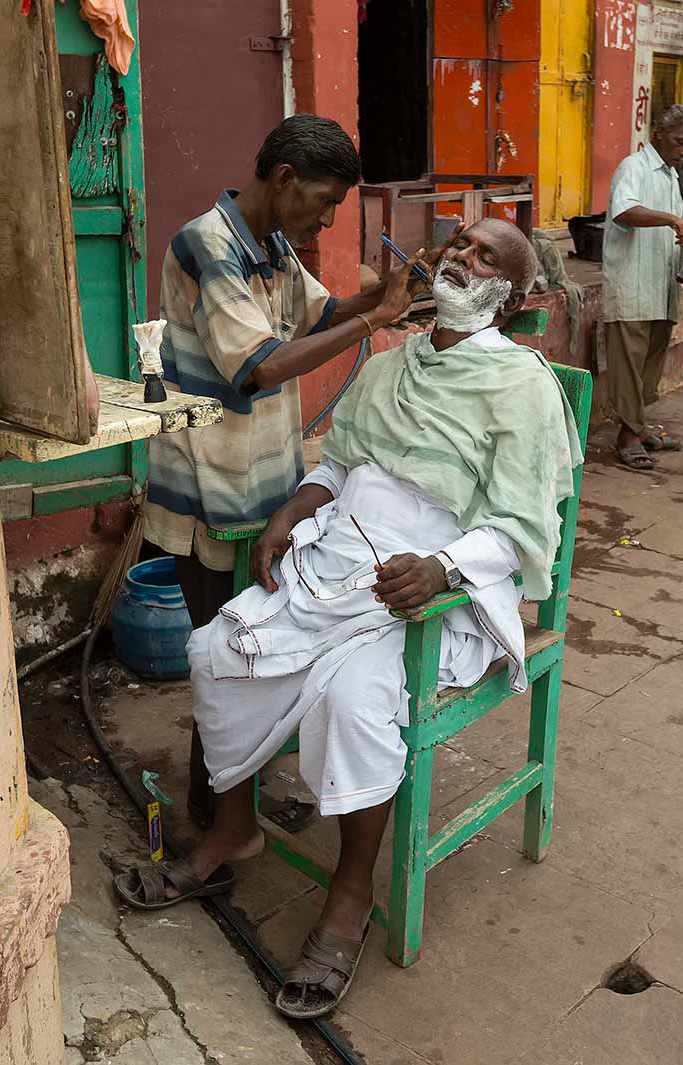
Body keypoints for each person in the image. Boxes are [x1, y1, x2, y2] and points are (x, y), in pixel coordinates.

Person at [115, 219, 581, 1020]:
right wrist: (291, 510)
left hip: (437, 579)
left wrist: (442, 567)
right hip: (339, 554)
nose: (462, 257)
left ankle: (352, 891)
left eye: (485, 256)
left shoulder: (523, 385)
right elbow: (338, 464)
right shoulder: (392, 364)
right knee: (220, 645)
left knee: (357, 698)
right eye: (461, 243)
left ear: (507, 296)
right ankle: (233, 833)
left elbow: (521, 524)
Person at [142, 114, 429, 835]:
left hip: (263, 470)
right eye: (325, 202)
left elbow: (317, 313)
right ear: (284, 180)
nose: (328, 218)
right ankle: (215, 808)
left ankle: (235, 788)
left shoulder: (268, 242)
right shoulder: (208, 245)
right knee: (221, 646)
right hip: (211, 479)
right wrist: (374, 325)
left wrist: (378, 296)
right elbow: (259, 364)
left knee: (253, 645)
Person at [602, 104, 683, 471]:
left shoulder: (670, 177)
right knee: (629, 363)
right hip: (632, 283)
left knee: (651, 360)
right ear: (658, 133)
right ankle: (627, 438)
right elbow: (624, 210)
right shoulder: (635, 167)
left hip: (661, 284)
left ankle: (639, 426)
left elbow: (669, 229)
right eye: (679, 142)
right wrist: (672, 219)